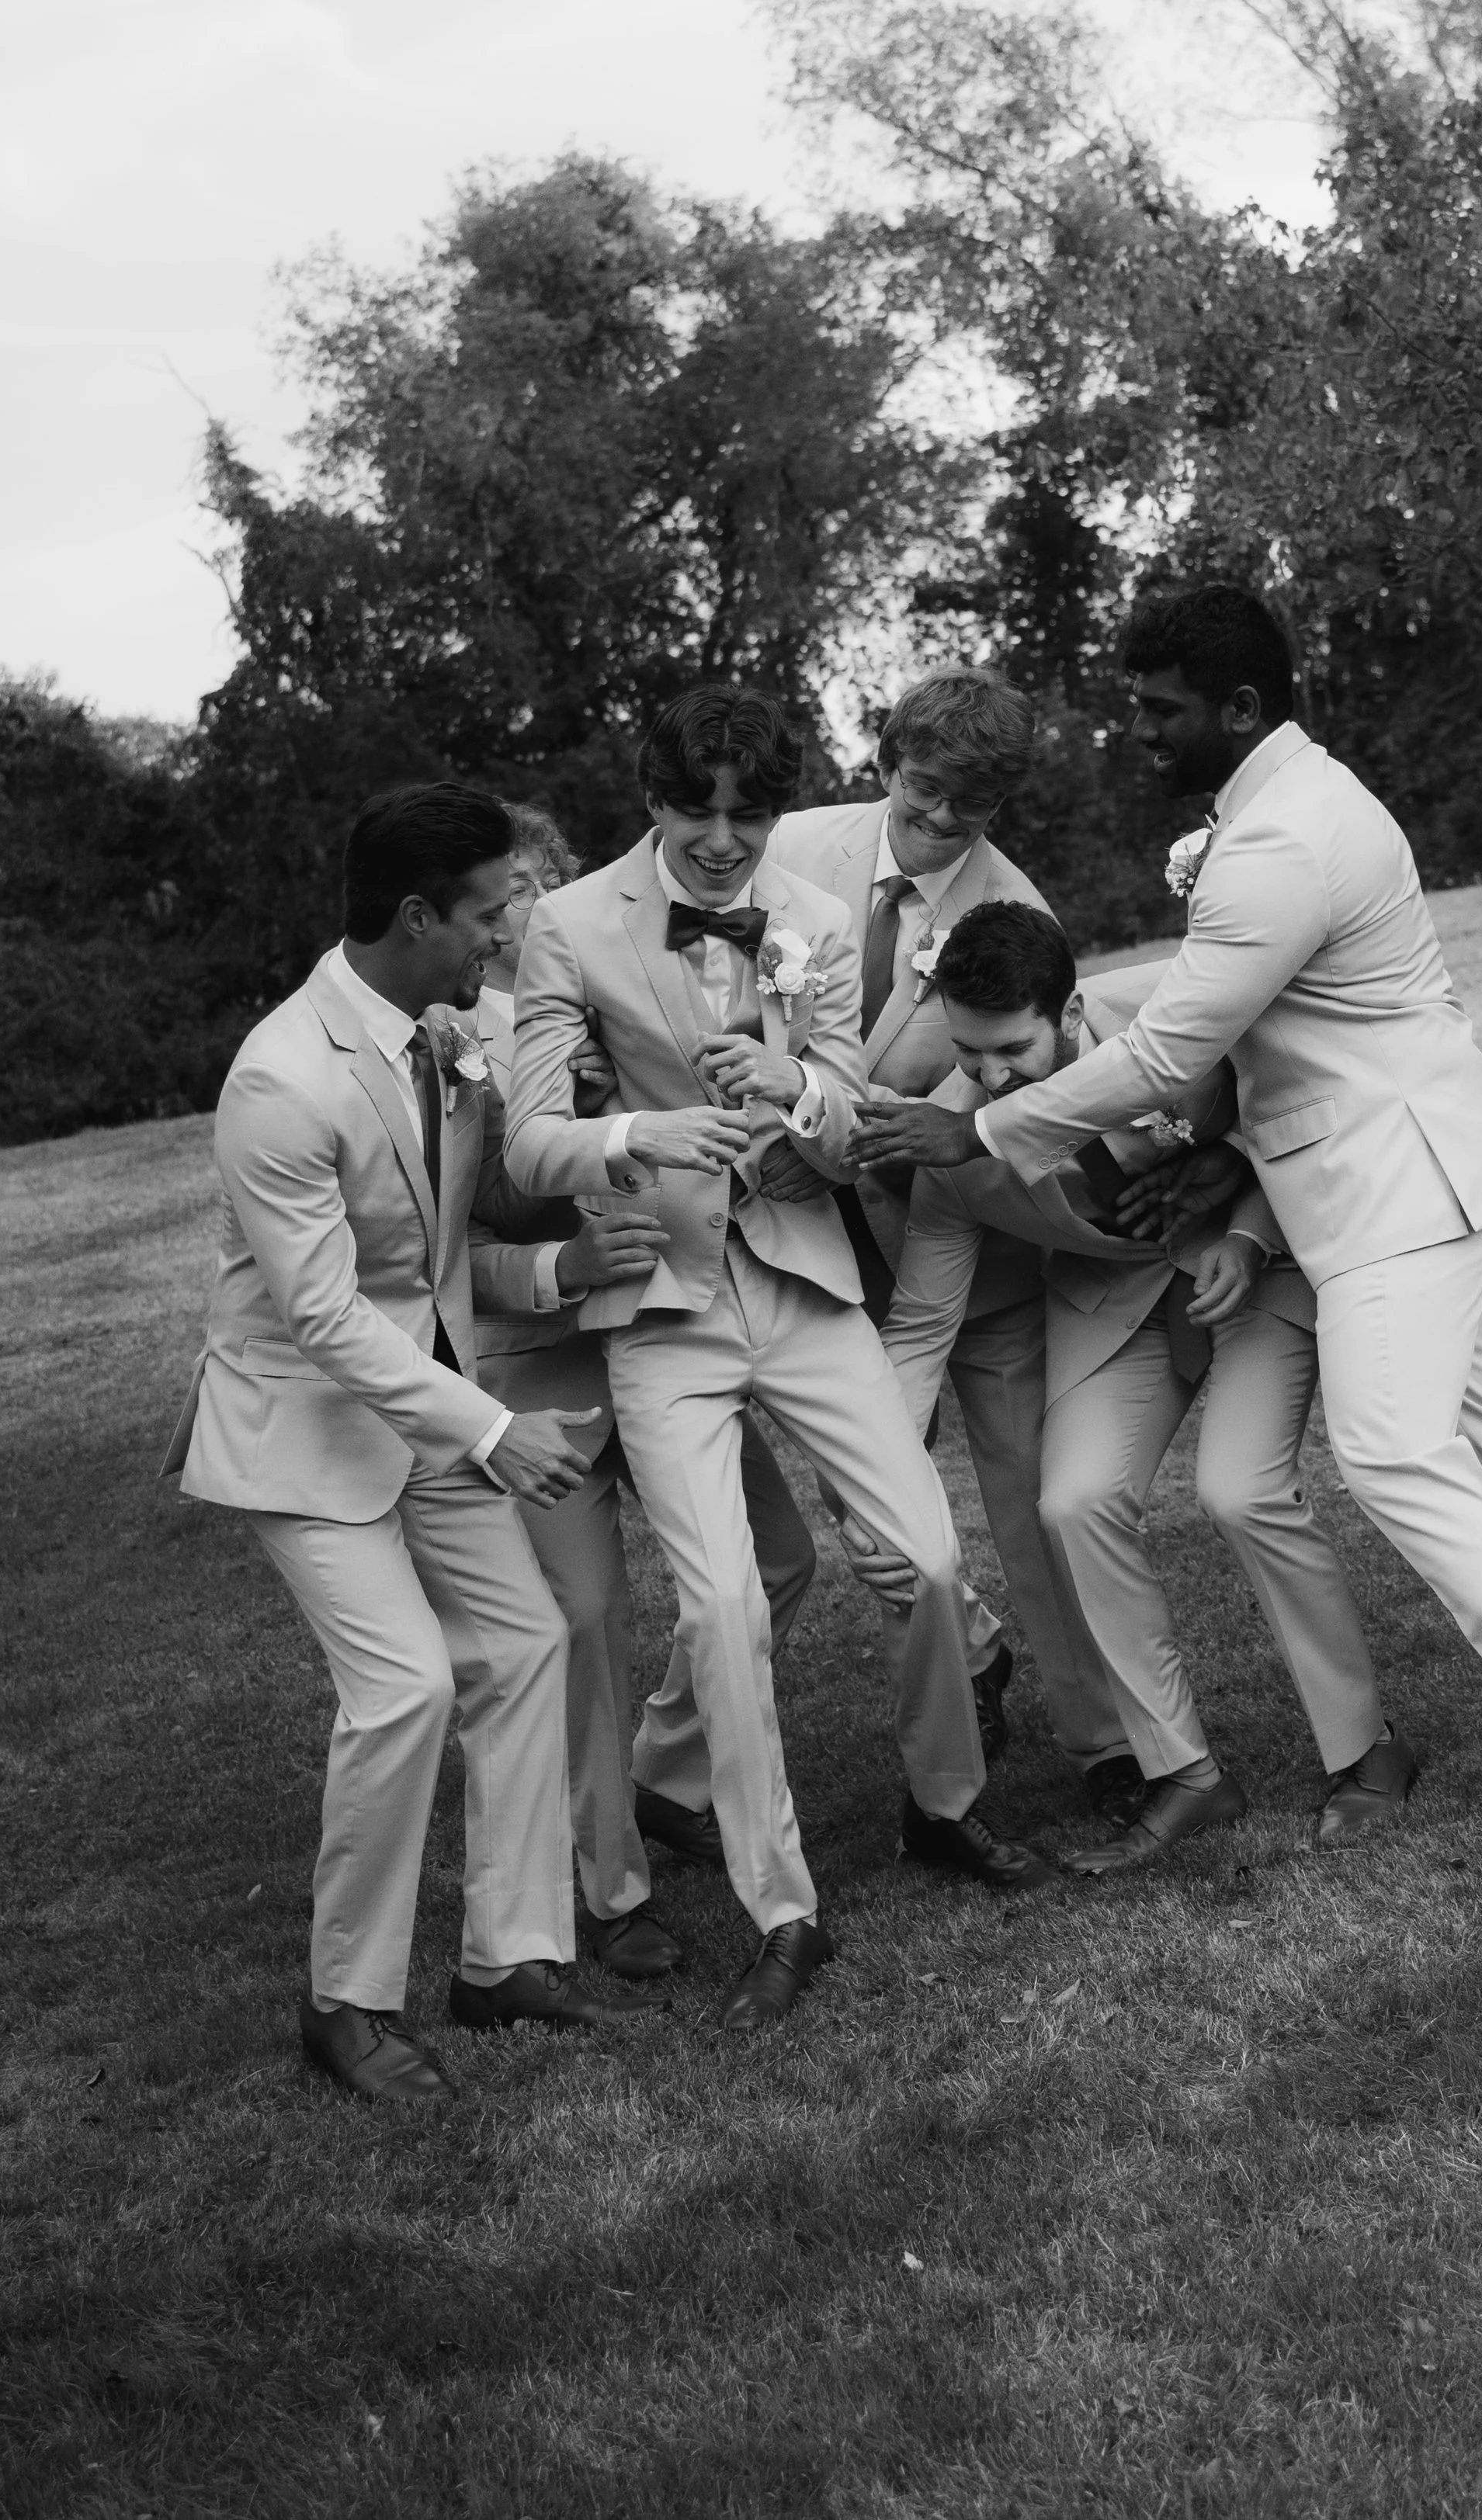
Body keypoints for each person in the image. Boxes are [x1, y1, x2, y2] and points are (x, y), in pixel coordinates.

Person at [852, 586, 1482, 1915]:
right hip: (1413, 1167)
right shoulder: (1281, 811)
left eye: (1160, 712)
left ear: (1241, 709)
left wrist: (974, 1121)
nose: (1140, 734)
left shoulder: (1281, 843)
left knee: (1394, 1451)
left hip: (1394, 1186)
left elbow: (1164, 1052)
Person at [504, 685, 1051, 2031]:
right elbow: (525, 1142)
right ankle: (781, 1906)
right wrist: (637, 1140)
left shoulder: (805, 915)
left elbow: (850, 1109)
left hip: (804, 1277)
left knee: (925, 1558)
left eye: (749, 812)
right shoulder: (570, 925)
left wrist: (795, 1088)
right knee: (726, 1609)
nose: (724, 838)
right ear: (654, 800)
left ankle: (946, 1805)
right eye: (699, 810)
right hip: (662, 1306)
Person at [161, 781, 658, 2109]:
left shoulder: (454, 1027)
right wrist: (496, 1427)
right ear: (414, 915)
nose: (508, 934)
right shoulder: (281, 1077)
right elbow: (325, 1317)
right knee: (405, 1690)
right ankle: (345, 2001)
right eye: (490, 913)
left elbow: (449, 1250)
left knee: (527, 1642)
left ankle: (509, 1960)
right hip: (306, 1431)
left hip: (426, 1401)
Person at [877, 901, 1414, 1867]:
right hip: (1114, 1299)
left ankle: (1366, 1750)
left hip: (1260, 1262)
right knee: (1073, 1500)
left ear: (1069, 1009)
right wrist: (874, 1469)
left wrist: (1246, 1226)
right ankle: (1184, 1773)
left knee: (1238, 1488)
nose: (989, 1079)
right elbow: (920, 1323)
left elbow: (1289, 1107)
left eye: (1011, 1050)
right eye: (968, 1053)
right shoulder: (949, 1143)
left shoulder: (1174, 1009)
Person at [470, 802, 817, 1979]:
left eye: (534, 882)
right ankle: (607, 1886)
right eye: (497, 891)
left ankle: (666, 1772)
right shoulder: (446, 1050)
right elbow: (429, 1254)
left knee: (780, 1559)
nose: (517, 909)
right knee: (587, 1619)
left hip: (669, 1327)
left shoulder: (629, 990)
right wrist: (555, 1268)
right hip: (542, 1368)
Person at [765, 666, 1109, 1782]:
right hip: (820, 1240)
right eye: (925, 794)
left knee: (1027, 1496)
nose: (945, 821)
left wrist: (923, 1121)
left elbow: (1011, 1087)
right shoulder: (790, 851)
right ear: (884, 763)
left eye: (974, 805)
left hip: (973, 1240)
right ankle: (969, 1657)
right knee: (866, 1487)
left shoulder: (1019, 908)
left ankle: (1104, 1738)